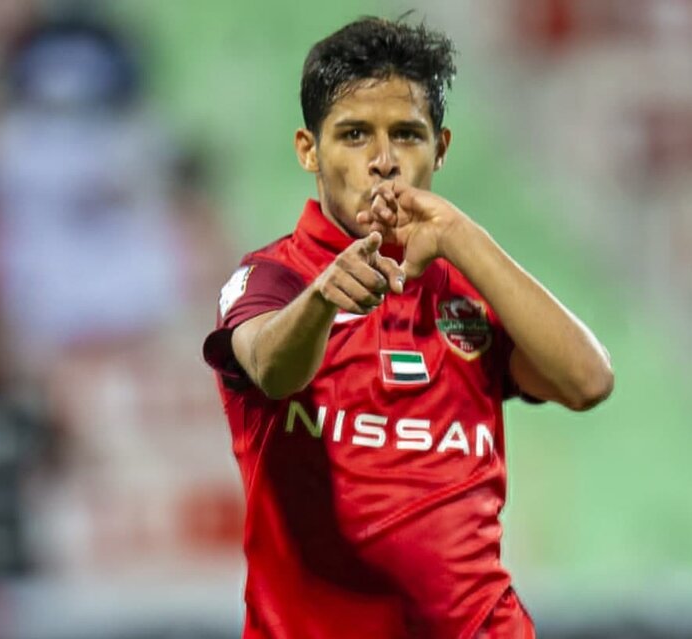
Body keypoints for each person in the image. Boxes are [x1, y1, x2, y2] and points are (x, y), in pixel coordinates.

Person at [203, 16, 614, 639]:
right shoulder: (272, 280)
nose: (384, 162)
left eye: (406, 134)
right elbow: (270, 367)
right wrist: (323, 299)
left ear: (440, 148)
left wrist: (458, 235)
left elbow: (588, 381)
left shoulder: (471, 286)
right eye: (354, 135)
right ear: (309, 150)